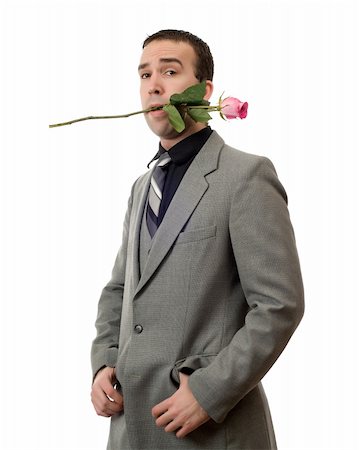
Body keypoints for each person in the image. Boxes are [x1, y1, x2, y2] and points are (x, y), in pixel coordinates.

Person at [90, 29, 304, 450]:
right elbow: (120, 289)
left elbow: (279, 305)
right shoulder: (141, 186)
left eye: (170, 71)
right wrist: (104, 363)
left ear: (204, 90)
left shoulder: (246, 177)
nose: (154, 84)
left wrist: (210, 392)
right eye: (145, 74)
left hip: (209, 429)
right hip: (130, 426)